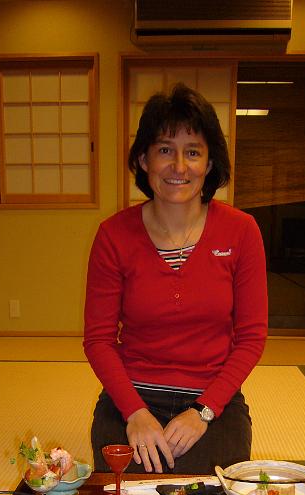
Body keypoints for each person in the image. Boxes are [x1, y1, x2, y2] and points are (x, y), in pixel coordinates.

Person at [84, 83, 267, 474]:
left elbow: (251, 338)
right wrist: (134, 411)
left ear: (210, 163)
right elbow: (99, 339)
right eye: (165, 149)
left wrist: (202, 412)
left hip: (212, 398)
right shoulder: (113, 235)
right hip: (132, 396)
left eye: (193, 152)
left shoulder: (242, 231)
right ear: (144, 160)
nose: (179, 167)